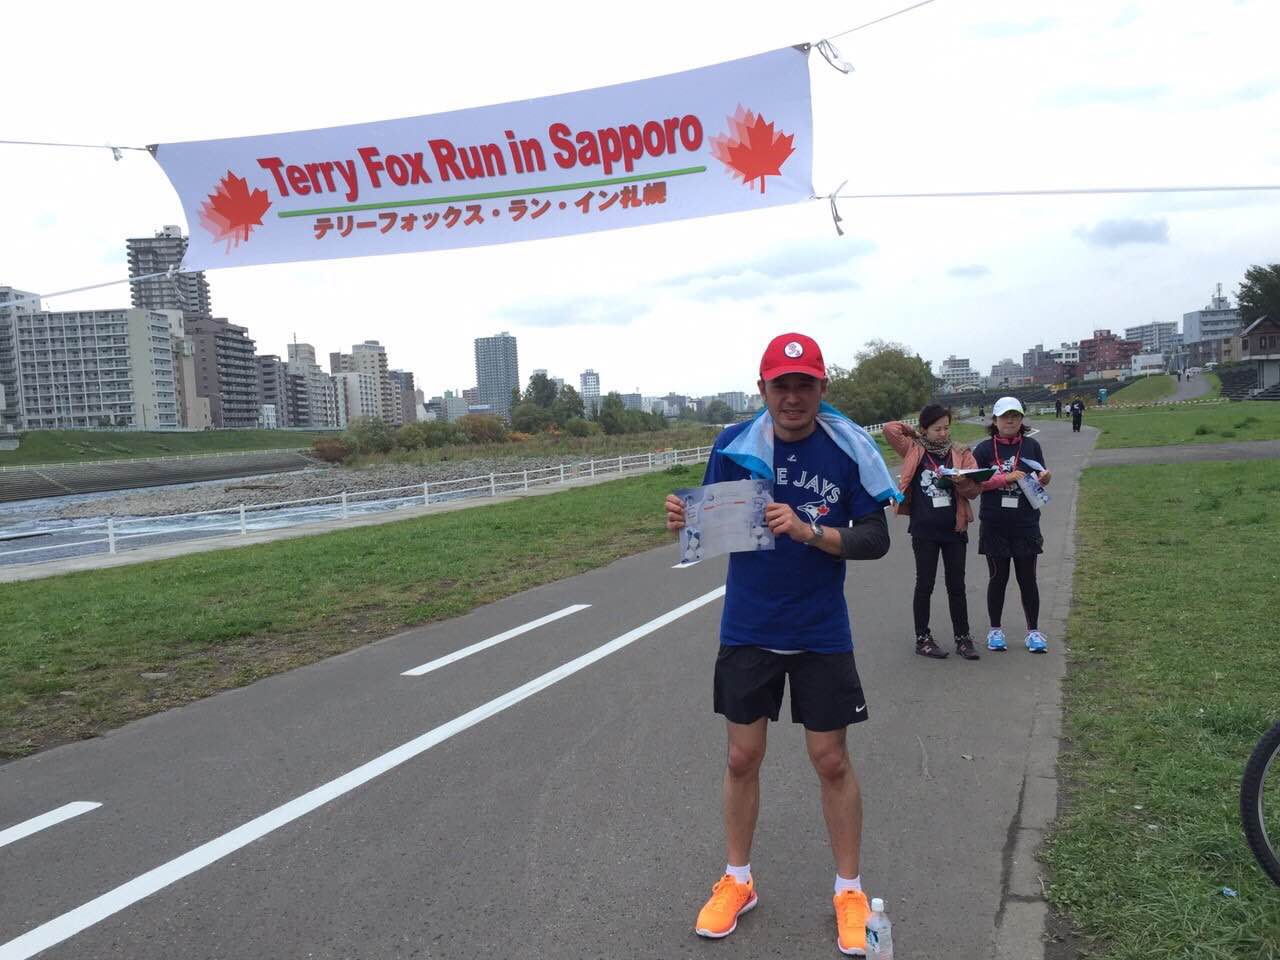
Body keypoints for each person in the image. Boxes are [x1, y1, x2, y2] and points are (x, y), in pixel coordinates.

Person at [664, 332, 893, 956]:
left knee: (831, 761)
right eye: (780, 385)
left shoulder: (848, 450)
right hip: (749, 626)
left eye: (805, 384)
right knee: (742, 758)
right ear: (762, 388)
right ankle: (738, 879)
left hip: (820, 629)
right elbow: (716, 525)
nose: (792, 397)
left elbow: (876, 538)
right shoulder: (734, 446)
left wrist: (811, 531)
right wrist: (690, 522)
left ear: (822, 388)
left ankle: (849, 888)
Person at [882, 406, 982, 660]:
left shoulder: (961, 452)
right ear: (925, 428)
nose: (943, 433)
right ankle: (922, 638)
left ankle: (963, 638)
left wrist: (963, 481)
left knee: (956, 585)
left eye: (947, 427)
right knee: (924, 584)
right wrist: (915, 432)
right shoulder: (915, 448)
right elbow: (889, 429)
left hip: (954, 529)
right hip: (924, 529)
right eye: (937, 428)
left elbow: (974, 491)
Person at [972, 397, 1053, 654]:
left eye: (1015, 416)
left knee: (1028, 579)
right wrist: (1004, 478)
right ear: (994, 420)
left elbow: (1039, 482)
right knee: (998, 578)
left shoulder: (1032, 446)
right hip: (995, 523)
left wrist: (1045, 478)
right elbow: (973, 485)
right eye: (1005, 416)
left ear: (1021, 419)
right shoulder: (983, 450)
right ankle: (995, 630)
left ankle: (1033, 632)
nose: (1010, 420)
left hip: (1026, 524)